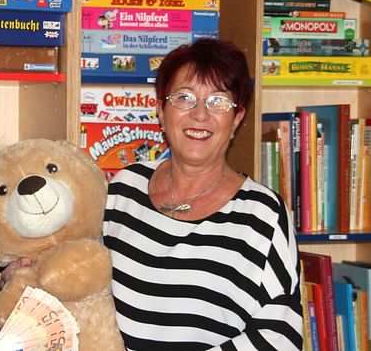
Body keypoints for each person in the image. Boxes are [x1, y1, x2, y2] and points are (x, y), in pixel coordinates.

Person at [103, 38, 303, 349]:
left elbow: (278, 337)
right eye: (185, 97)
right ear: (161, 110)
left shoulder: (263, 213)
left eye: (218, 102)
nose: (200, 115)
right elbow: (82, 280)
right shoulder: (122, 189)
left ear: (236, 119)